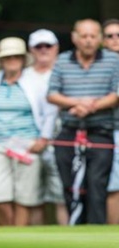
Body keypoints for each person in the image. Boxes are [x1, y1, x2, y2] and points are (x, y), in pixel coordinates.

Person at [0, 37, 56, 226]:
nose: (12, 60)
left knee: (25, 196)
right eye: (8, 57)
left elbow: (50, 112)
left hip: (28, 143)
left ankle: (17, 238)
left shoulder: (35, 82)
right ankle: (9, 233)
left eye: (16, 57)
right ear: (1, 60)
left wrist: (43, 139)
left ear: (22, 59)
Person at [47, 19, 119, 225]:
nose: (88, 41)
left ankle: (95, 232)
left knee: (97, 183)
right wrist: (77, 103)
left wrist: (90, 107)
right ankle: (74, 227)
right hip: (69, 129)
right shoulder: (62, 60)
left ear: (100, 39)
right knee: (69, 184)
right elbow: (52, 94)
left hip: (100, 130)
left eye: (93, 36)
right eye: (84, 36)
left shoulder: (113, 61)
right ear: (74, 37)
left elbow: (115, 95)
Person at [24, 29, 68, 225]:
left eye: (48, 46)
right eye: (38, 46)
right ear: (31, 50)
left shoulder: (66, 71)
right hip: (29, 144)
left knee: (61, 198)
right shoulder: (23, 75)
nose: (43, 50)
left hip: (60, 143)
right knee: (34, 199)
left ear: (56, 48)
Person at [102, 18, 119, 225]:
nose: (115, 40)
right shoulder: (99, 64)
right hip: (110, 130)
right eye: (110, 36)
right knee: (115, 187)